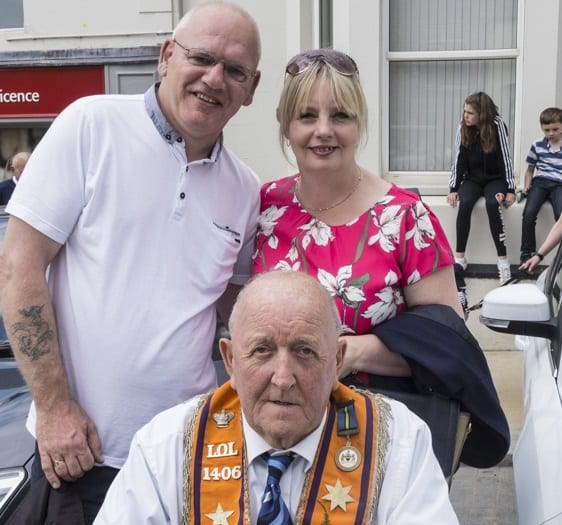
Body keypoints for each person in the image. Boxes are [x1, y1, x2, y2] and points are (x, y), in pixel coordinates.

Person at [0, 2, 261, 522]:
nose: (214, 79)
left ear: (251, 89)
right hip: (84, 454)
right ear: (166, 56)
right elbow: (18, 267)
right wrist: (53, 409)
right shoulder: (90, 124)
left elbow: (227, 304)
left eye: (234, 70)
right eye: (201, 58)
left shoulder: (245, 189)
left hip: (187, 456)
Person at [94, 271, 459, 524]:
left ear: (337, 362)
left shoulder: (398, 440)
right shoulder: (166, 445)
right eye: (262, 351)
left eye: (304, 351)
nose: (283, 379)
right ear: (231, 361)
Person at [253, 49, 463, 389]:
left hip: (375, 426)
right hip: (277, 420)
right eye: (307, 116)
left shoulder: (404, 218)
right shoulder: (264, 207)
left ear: (360, 121)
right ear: (284, 122)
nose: (323, 130)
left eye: (340, 116)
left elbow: (447, 340)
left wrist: (351, 353)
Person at [446, 91, 516, 286]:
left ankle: (503, 261)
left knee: (493, 203)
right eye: (464, 111)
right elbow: (459, 159)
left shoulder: (497, 125)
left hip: (495, 179)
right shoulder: (464, 126)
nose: (465, 115)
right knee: (465, 202)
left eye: (470, 113)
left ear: (482, 114)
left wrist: (510, 189)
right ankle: (460, 258)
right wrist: (454, 187)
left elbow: (505, 157)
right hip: (473, 179)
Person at [520, 107, 562, 265]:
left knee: (560, 215)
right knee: (529, 213)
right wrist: (526, 188)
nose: (551, 133)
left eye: (555, 129)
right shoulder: (537, 145)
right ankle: (526, 253)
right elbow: (530, 170)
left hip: (559, 183)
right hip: (540, 181)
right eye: (547, 130)